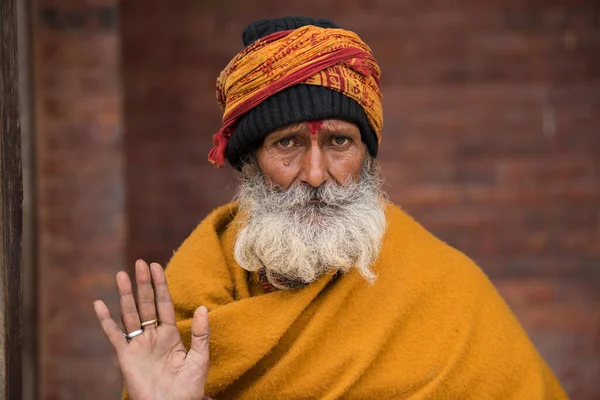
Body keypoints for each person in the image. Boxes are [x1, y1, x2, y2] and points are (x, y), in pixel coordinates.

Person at [93, 16, 568, 399]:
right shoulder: (184, 309)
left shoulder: (449, 293)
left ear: (366, 154)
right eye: (288, 143)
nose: (316, 173)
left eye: (340, 141)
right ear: (250, 163)